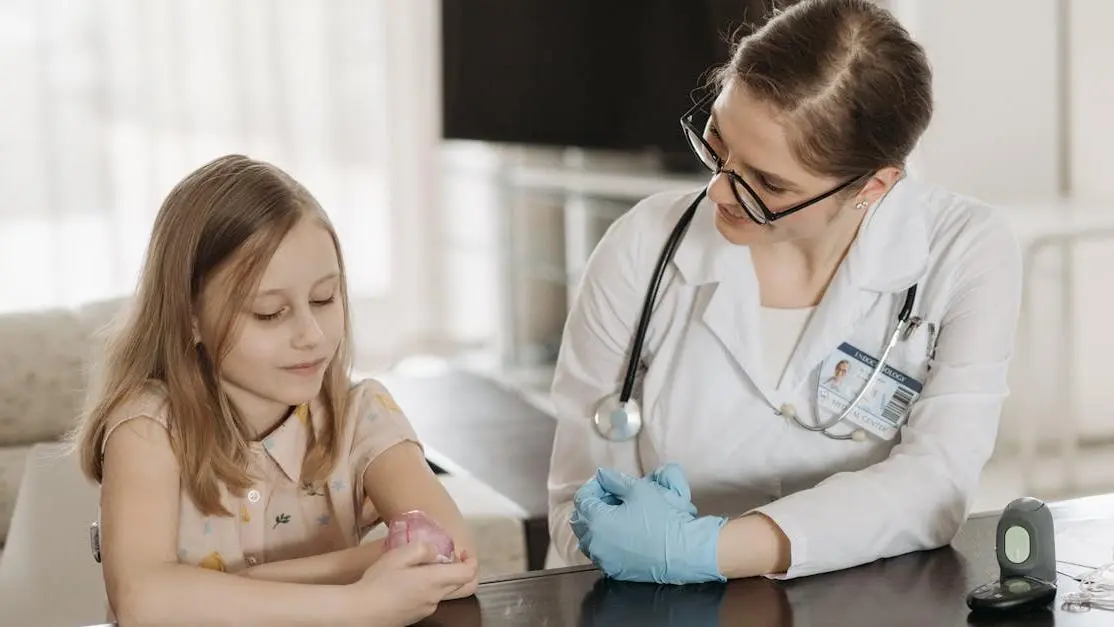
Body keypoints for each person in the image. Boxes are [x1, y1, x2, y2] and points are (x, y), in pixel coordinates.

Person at [546, 0, 1022, 584]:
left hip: (866, 600)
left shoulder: (965, 249)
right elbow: (579, 501)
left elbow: (936, 482)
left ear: (874, 185)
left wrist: (708, 549)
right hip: (650, 603)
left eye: (768, 182)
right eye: (716, 145)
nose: (719, 193)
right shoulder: (644, 245)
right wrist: (621, 541)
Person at [70, 154, 479, 626]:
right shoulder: (148, 430)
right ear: (190, 317)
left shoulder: (361, 413)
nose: (311, 334)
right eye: (269, 312)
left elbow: (455, 556)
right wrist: (361, 599)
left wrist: (204, 594)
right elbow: (143, 603)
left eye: (325, 298)